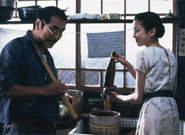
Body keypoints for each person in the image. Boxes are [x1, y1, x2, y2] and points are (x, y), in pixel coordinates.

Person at [0, 6, 75, 134]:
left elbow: (39, 87)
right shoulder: (15, 48)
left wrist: (57, 95)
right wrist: (45, 90)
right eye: (54, 29)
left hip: (48, 129)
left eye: (61, 31)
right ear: (38, 23)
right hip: (23, 131)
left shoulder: (46, 54)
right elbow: (3, 88)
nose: (57, 36)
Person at [108, 11, 179, 135]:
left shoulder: (143, 55)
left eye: (137, 30)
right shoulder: (170, 55)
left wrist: (117, 96)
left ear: (152, 31)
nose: (134, 35)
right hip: (172, 109)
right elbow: (151, 83)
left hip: (153, 111)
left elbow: (137, 97)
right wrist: (127, 64)